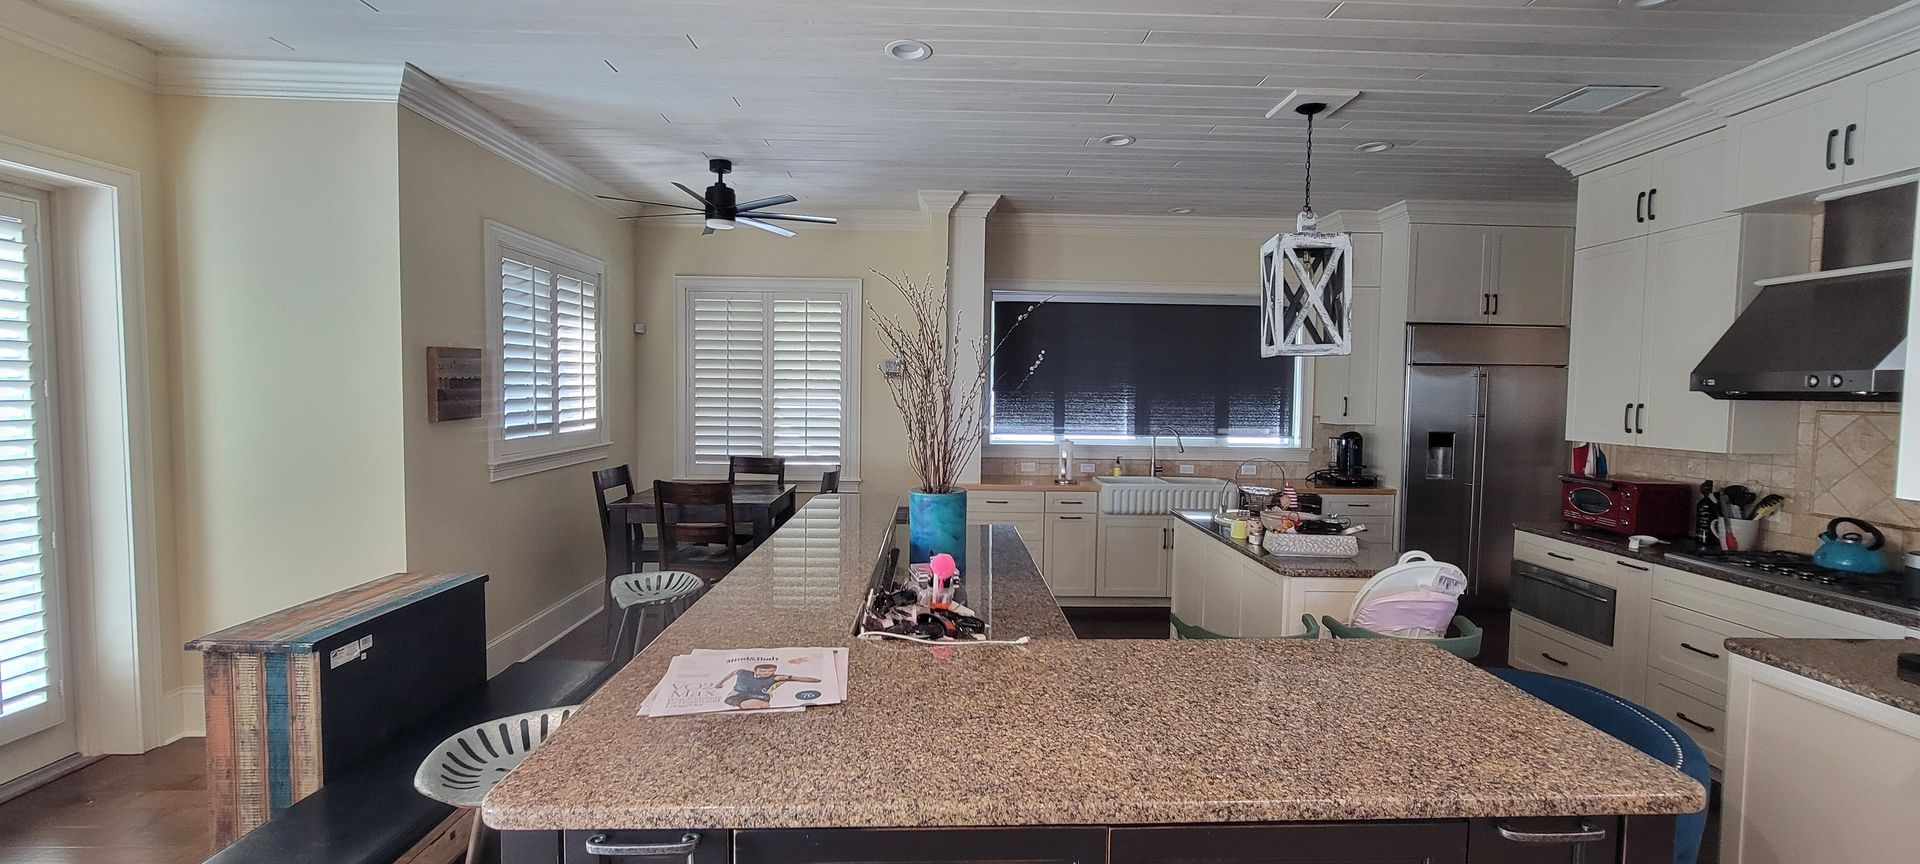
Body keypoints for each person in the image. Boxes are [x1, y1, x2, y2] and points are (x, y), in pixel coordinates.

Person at [714, 662, 820, 709]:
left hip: (761, 697)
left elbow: (795, 678)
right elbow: (733, 672)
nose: (767, 673)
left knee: (762, 705)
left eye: (770, 671)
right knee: (753, 705)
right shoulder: (743, 672)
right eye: (764, 671)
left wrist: (816, 680)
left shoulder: (775, 678)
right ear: (755, 670)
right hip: (738, 695)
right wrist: (720, 683)